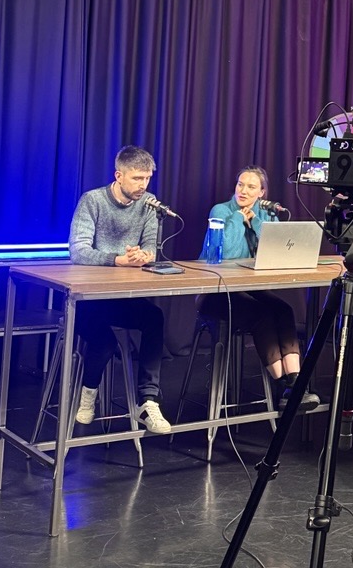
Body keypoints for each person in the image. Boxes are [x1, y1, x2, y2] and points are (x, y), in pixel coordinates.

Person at [197, 166, 319, 410]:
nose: (243, 191)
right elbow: (226, 255)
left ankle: (295, 383)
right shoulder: (221, 211)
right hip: (215, 292)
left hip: (248, 288)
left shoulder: (266, 213)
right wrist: (239, 220)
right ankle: (280, 383)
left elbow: (276, 253)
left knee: (283, 310)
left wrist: (256, 223)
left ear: (262, 192)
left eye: (251, 187)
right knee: (262, 315)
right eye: (240, 184)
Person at [68, 145, 171, 433]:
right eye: (137, 178)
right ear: (119, 175)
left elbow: (151, 248)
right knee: (104, 341)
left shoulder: (149, 203)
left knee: (154, 318)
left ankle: (148, 402)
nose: (143, 185)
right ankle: (88, 395)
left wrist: (144, 257)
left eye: (147, 178)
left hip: (122, 297)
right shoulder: (93, 201)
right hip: (87, 298)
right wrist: (117, 260)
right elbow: (78, 251)